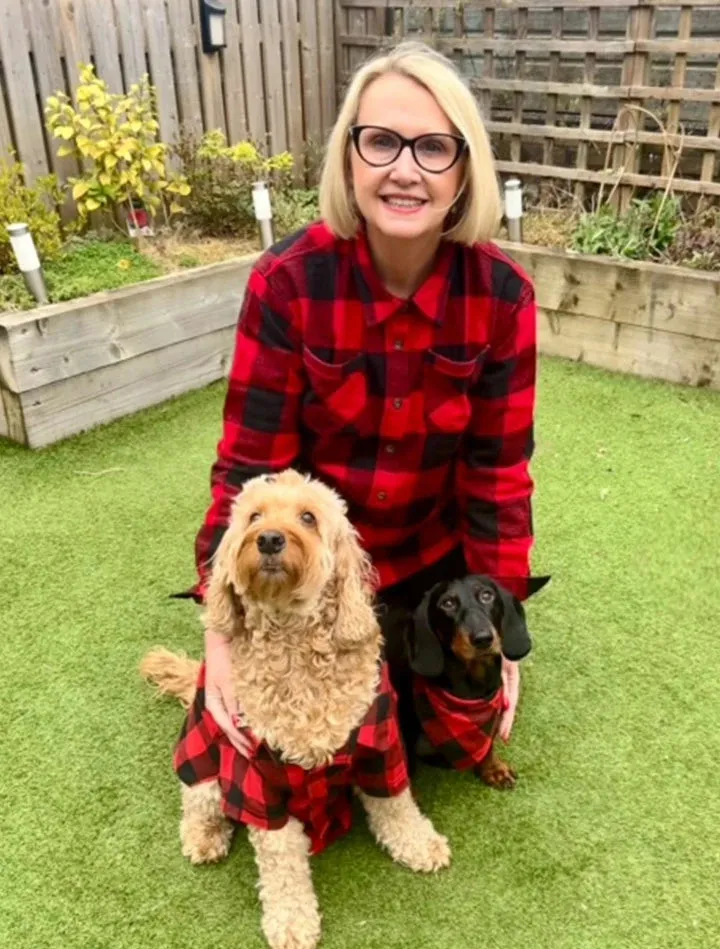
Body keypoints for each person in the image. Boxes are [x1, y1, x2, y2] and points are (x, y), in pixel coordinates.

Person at [176, 41, 538, 758]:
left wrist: (506, 629)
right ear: (349, 158)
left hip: (431, 569)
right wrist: (222, 633)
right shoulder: (287, 282)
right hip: (322, 568)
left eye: (433, 147)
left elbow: (498, 479)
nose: (404, 170)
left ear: (465, 172)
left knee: (422, 740)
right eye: (381, 142)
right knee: (262, 747)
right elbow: (249, 469)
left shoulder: (503, 299)